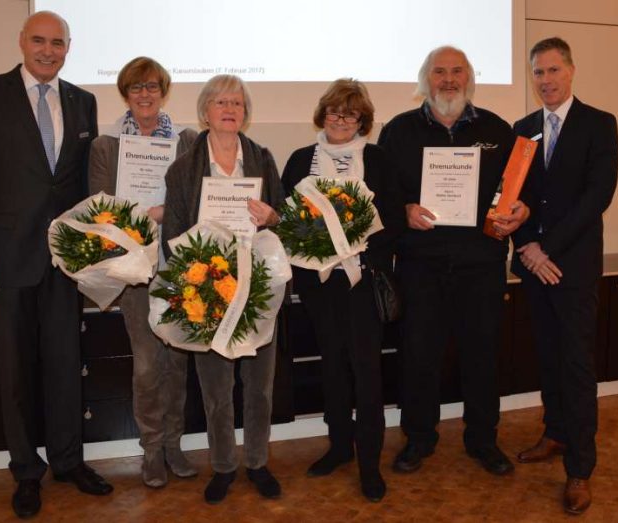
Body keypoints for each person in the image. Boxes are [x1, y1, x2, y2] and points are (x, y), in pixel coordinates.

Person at [0, 11, 112, 519]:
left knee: (67, 366)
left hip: (65, 262)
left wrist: (100, 247)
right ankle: (26, 470)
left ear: (69, 48)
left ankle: (68, 461)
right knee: (15, 372)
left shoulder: (83, 102)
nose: (48, 50)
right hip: (7, 259)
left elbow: (83, 189)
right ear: (22, 41)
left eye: (58, 43)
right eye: (39, 41)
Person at [378, 46, 528, 477]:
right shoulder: (398, 131)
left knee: (482, 355)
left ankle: (483, 439)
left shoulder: (498, 130)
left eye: (456, 71)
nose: (448, 79)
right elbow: (383, 196)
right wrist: (404, 209)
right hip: (420, 264)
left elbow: (517, 193)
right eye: (439, 72)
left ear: (469, 78)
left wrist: (518, 213)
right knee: (418, 354)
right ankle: (419, 439)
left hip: (479, 264)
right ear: (426, 79)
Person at [162, 74, 283, 504]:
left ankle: (257, 462)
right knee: (215, 389)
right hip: (207, 291)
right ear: (205, 112)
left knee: (259, 386)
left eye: (236, 102)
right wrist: (200, 276)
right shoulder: (183, 168)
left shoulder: (263, 159)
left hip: (258, 287)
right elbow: (172, 234)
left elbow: (281, 220)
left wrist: (271, 217)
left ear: (245, 112)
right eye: (219, 102)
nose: (229, 109)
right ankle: (224, 466)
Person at [281, 79, 402, 502]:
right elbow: (286, 221)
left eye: (350, 113)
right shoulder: (299, 161)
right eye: (334, 111)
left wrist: (356, 244)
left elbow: (394, 223)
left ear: (362, 119)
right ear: (322, 114)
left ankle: (369, 462)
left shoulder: (380, 160)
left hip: (363, 282)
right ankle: (338, 447)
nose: (340, 120)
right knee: (332, 365)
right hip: (320, 284)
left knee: (367, 372)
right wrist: (318, 246)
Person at [512, 37, 618, 515]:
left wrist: (543, 248)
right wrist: (524, 247)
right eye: (538, 73)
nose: (546, 80)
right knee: (549, 358)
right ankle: (555, 434)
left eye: (553, 70)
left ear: (571, 71)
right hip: (536, 268)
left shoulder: (600, 124)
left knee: (577, 368)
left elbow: (595, 198)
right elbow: (512, 200)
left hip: (570, 269)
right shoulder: (524, 129)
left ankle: (580, 469)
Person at [88, 56, 199, 488]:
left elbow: (194, 200)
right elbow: (99, 210)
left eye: (152, 86)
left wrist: (168, 211)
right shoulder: (106, 146)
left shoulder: (187, 141)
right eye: (136, 87)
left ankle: (174, 444)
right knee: (149, 364)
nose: (145, 94)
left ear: (164, 90)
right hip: (135, 269)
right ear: (125, 93)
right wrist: (143, 214)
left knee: (178, 359)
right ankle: (152, 449)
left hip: (180, 267)